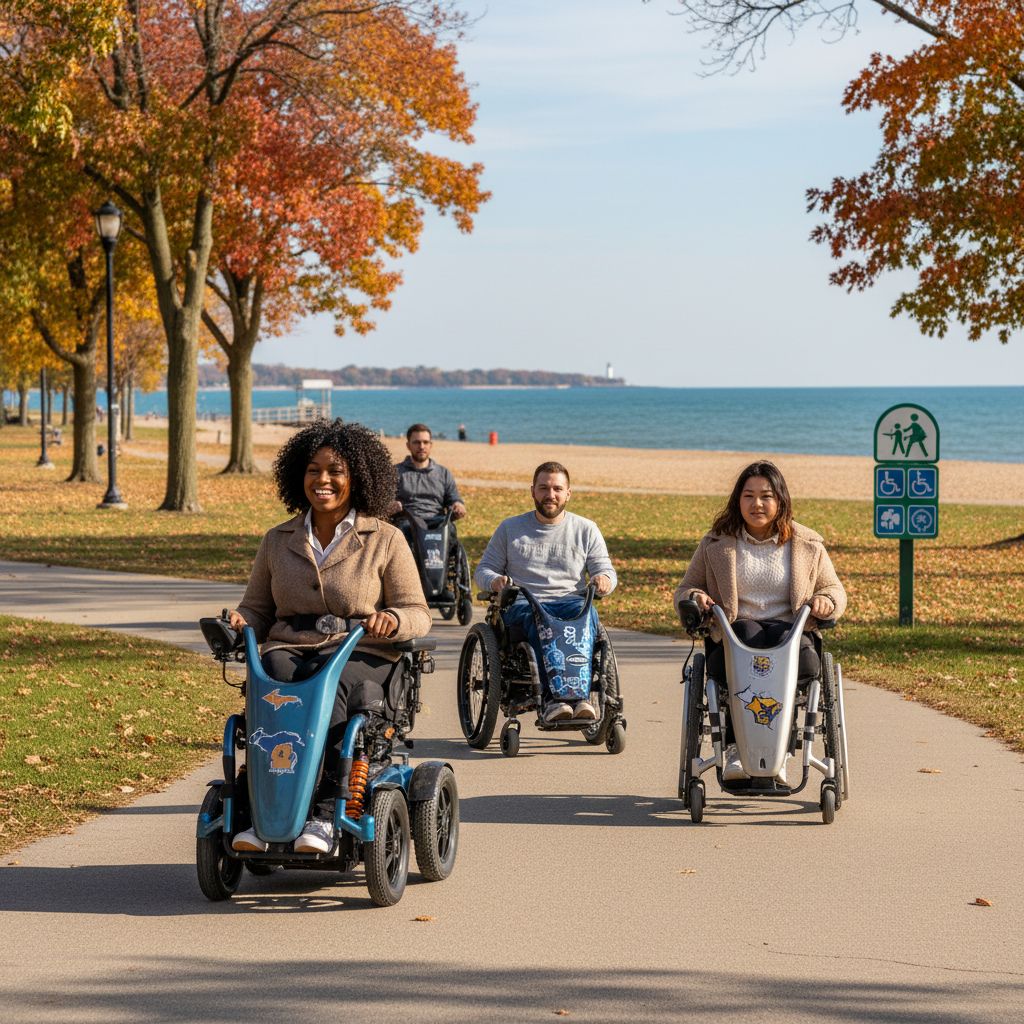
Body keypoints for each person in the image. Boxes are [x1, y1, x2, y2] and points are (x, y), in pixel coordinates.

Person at [228, 419, 430, 855]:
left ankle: (323, 813)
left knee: (328, 684)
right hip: (290, 647)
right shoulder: (278, 540)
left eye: (335, 471)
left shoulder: (386, 539)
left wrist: (392, 620)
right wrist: (241, 620)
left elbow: (418, 612)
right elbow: (258, 609)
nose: (323, 480)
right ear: (298, 477)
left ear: (356, 477)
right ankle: (262, 814)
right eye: (313, 470)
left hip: (363, 652)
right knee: (275, 679)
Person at [673, 460, 846, 783]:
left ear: (780, 500)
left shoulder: (806, 544)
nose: (757, 504)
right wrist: (697, 597)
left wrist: (828, 601)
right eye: (748, 496)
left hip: (791, 633)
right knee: (746, 632)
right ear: (737, 500)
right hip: (735, 635)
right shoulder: (716, 543)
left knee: (783, 647)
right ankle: (739, 750)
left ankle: (779, 753)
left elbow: (834, 589)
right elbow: (685, 588)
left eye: (766, 496)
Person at [474, 461, 616, 723]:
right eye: (544, 488)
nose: (550, 495)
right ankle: (554, 700)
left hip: (570, 602)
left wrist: (604, 580)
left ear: (568, 494)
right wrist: (495, 582)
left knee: (586, 616)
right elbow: (483, 571)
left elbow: (606, 570)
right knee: (541, 624)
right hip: (525, 604)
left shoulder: (586, 529)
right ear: (533, 491)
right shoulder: (510, 528)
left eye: (557, 489)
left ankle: (580, 697)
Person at [392, 423, 466, 522]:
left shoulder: (443, 473)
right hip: (407, 524)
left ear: (431, 445)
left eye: (425, 442)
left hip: (438, 522)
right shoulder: (395, 472)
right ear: (408, 445)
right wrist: (391, 506)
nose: (421, 446)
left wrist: (458, 505)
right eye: (416, 442)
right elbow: (383, 502)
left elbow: (453, 499)